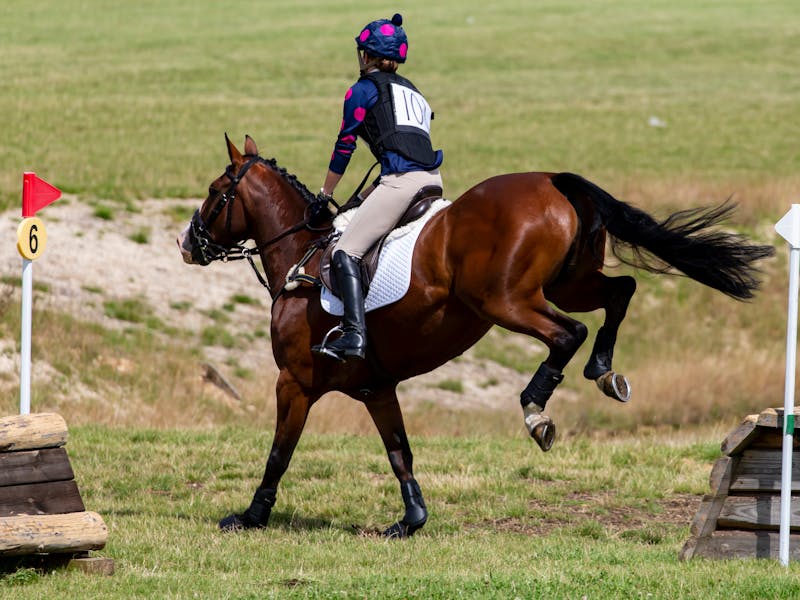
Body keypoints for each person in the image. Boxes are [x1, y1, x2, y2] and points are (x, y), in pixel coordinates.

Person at [312, 13, 444, 362]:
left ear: (367, 55)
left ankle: (354, 335)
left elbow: (345, 146)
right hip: (433, 182)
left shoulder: (363, 90)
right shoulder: (413, 91)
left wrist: (324, 195)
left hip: (402, 182)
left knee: (345, 251)